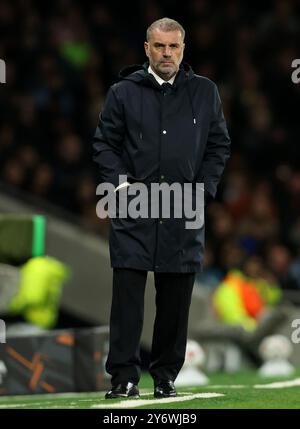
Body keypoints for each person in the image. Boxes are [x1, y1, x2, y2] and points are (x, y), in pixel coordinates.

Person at [93, 17, 231, 399]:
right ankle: (123, 377)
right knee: (127, 300)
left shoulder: (205, 92)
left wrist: (202, 190)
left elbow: (219, 145)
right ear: (146, 49)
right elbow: (104, 144)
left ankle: (166, 376)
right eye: (159, 46)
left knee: (175, 299)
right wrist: (120, 183)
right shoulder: (122, 92)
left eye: (173, 47)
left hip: (183, 208)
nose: (166, 53)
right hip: (134, 207)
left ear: (183, 49)